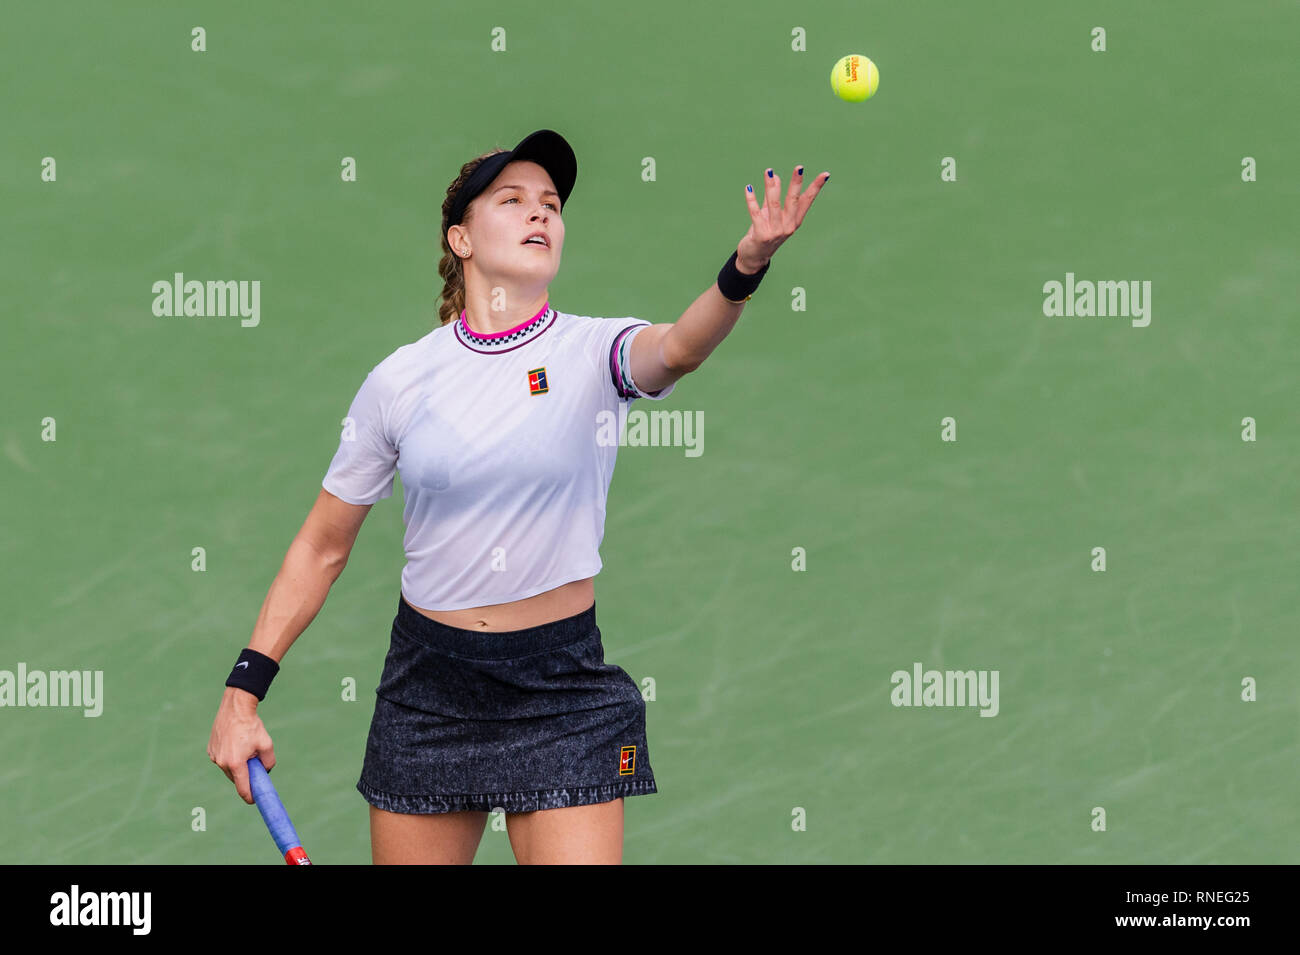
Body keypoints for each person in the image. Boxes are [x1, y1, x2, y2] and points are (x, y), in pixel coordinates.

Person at [207, 129, 829, 864]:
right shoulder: (400, 381)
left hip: (563, 692)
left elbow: (680, 348)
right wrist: (243, 691)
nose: (541, 214)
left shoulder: (594, 353)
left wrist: (746, 265)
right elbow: (322, 545)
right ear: (461, 238)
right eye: (514, 200)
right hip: (429, 691)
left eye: (552, 204)